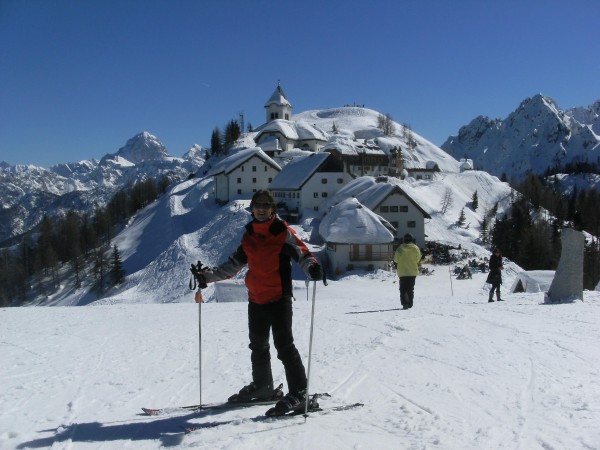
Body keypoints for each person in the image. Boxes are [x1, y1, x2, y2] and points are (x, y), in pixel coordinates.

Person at [191, 190, 323, 415]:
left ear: (273, 209)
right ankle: (263, 387)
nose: (261, 208)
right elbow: (232, 265)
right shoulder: (249, 235)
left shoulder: (282, 232)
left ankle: (301, 393)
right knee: (258, 345)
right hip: (256, 299)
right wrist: (207, 276)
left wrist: (312, 266)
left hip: (279, 298)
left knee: (285, 347)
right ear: (252, 209)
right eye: (257, 205)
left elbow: (303, 253)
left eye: (266, 205)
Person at [393, 233, 422, 310]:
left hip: (402, 272)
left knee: (403, 289)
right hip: (412, 272)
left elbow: (396, 260)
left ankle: (405, 304)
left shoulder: (400, 248)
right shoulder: (416, 248)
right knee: (410, 289)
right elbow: (418, 259)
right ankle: (410, 303)